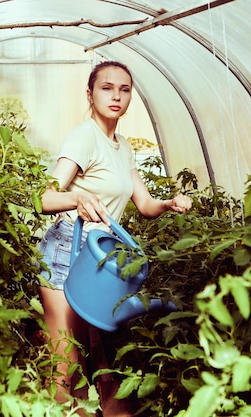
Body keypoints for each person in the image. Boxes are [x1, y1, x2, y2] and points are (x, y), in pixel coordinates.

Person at [37, 61, 192, 415]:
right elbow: (45, 198)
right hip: (66, 251)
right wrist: (76, 199)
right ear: (89, 94)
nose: (116, 96)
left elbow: (144, 204)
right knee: (67, 361)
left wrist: (168, 203)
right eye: (107, 88)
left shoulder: (121, 146)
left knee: (104, 356)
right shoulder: (83, 137)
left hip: (102, 260)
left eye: (124, 89)